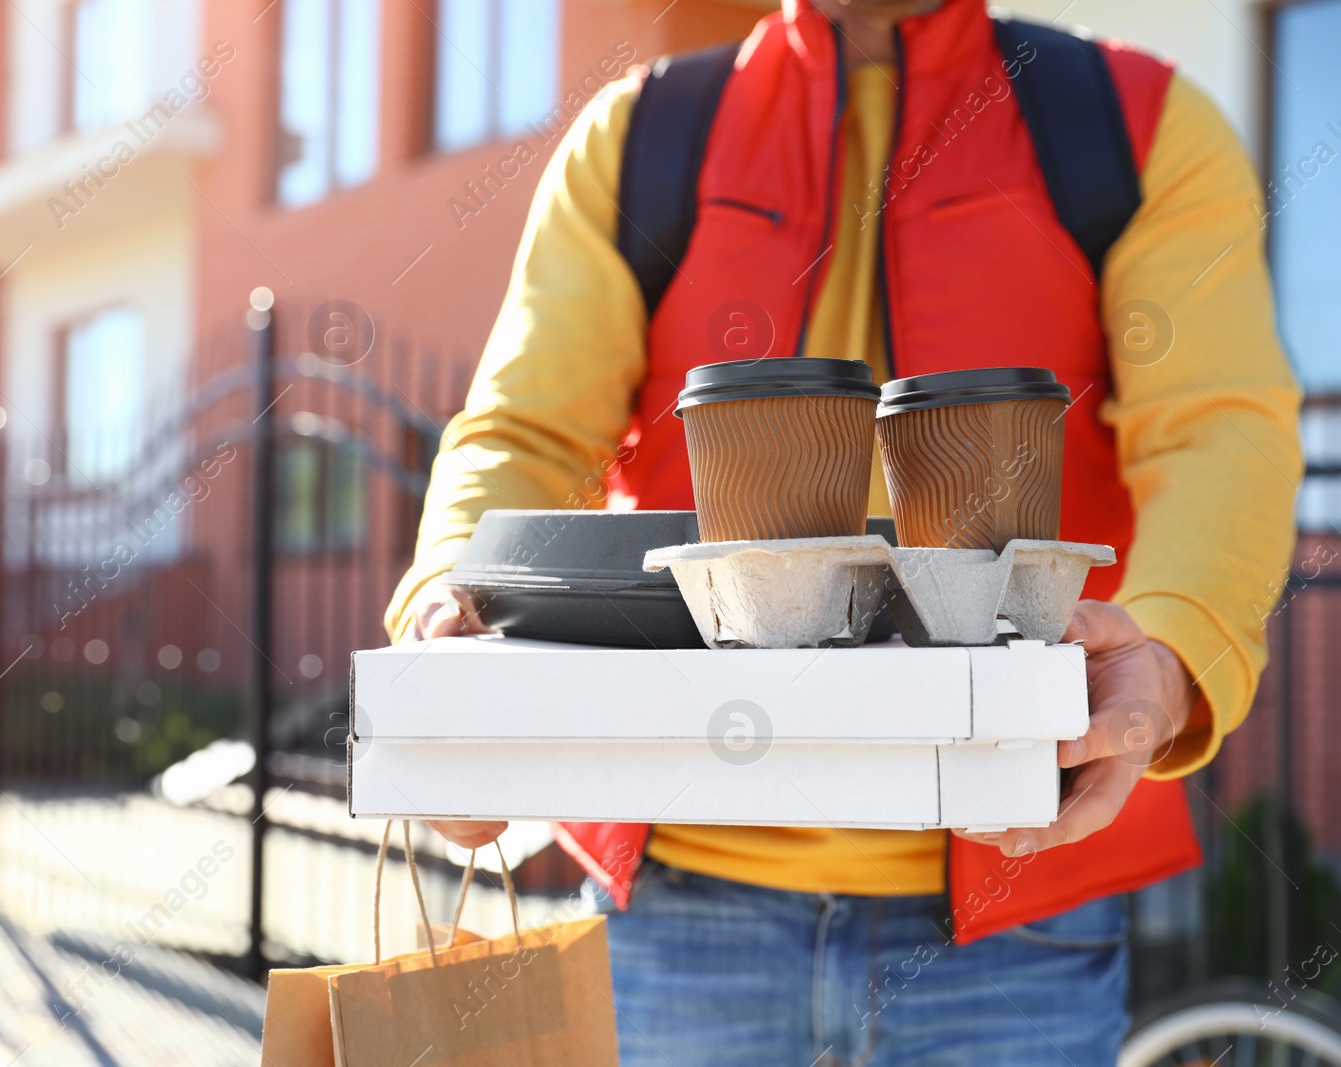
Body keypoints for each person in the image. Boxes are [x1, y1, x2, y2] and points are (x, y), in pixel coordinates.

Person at [385, 0, 1302, 1062]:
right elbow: (527, 431)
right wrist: (453, 599)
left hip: (1016, 902)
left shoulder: (1134, 125)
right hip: (682, 903)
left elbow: (1216, 430)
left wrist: (1173, 647)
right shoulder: (636, 138)